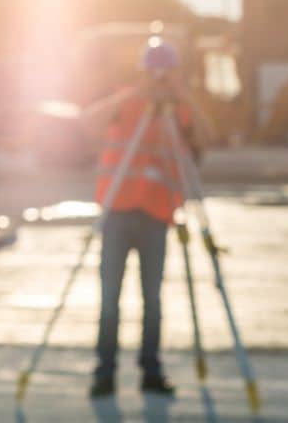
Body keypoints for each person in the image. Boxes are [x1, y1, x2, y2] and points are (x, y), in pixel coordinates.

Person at [82, 39, 203, 399]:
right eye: (154, 72)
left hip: (156, 216)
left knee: (153, 299)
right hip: (118, 212)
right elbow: (87, 122)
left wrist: (182, 96)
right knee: (110, 298)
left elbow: (209, 136)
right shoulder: (125, 101)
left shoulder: (178, 112)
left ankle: (151, 370)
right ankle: (104, 373)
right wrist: (137, 93)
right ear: (141, 72)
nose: (160, 78)